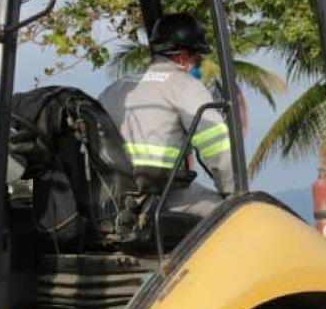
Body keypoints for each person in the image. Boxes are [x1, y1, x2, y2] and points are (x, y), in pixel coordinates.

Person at [99, 12, 237, 219]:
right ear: (182, 57)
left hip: (110, 197)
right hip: (161, 196)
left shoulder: (117, 88)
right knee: (230, 216)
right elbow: (218, 149)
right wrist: (234, 191)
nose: (199, 66)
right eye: (197, 58)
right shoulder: (184, 86)